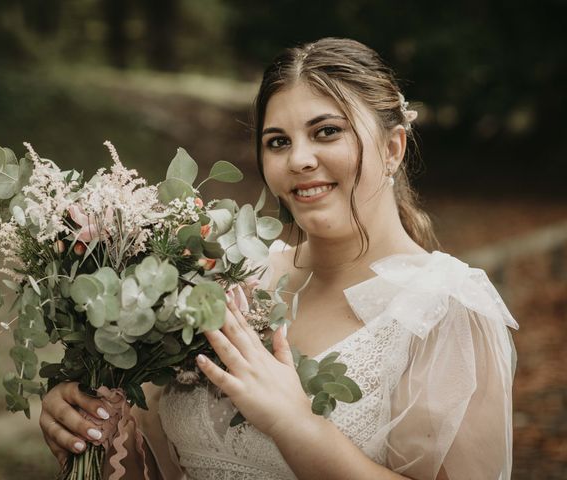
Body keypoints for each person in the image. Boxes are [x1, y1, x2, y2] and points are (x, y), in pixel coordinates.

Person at [39, 37, 519, 479]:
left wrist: (299, 428)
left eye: (327, 132)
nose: (298, 160)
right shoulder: (228, 280)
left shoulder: (448, 309)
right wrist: (93, 434)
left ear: (392, 148)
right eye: (278, 142)